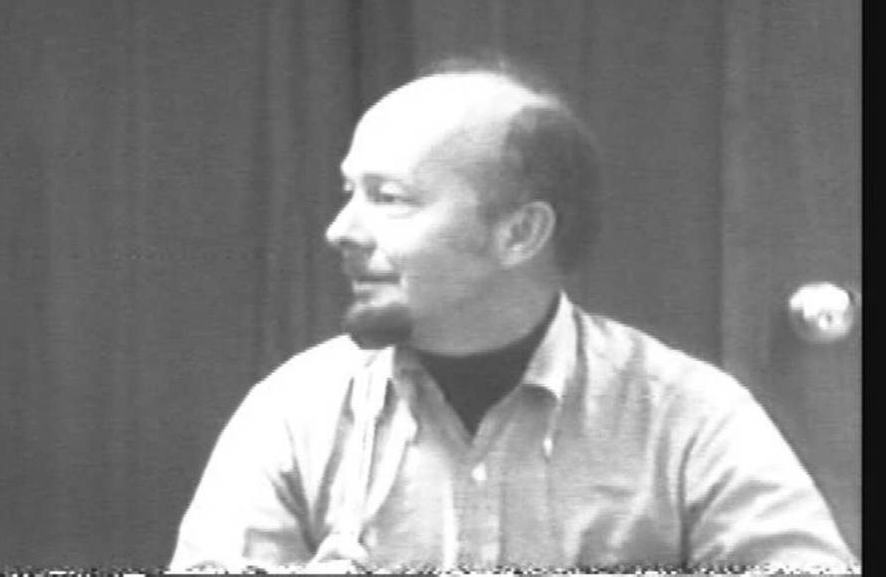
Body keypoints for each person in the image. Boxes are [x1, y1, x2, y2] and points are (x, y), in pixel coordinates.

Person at [169, 59, 857, 573]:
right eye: (349, 190)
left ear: (520, 233)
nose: (340, 230)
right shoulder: (296, 413)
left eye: (389, 198)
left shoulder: (686, 417)